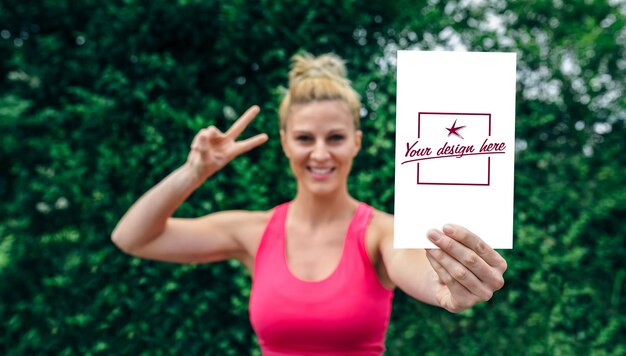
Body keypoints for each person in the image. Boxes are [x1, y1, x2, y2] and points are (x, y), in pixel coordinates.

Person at [111, 52, 507, 355]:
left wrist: (449, 285)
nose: (320, 154)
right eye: (305, 139)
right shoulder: (252, 231)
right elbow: (133, 238)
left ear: (356, 141)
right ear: (284, 142)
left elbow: (425, 275)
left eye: (334, 138)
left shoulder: (382, 233)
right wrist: (192, 173)